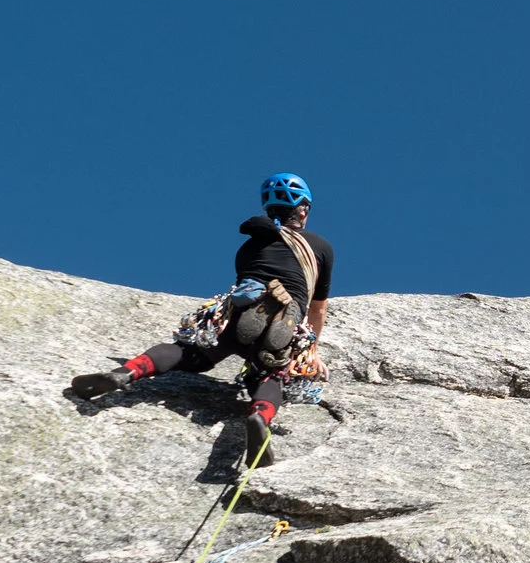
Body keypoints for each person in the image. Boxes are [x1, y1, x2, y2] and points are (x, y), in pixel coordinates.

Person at [70, 173, 336, 468]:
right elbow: (317, 309)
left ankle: (126, 372)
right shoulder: (320, 247)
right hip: (283, 323)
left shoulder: (249, 247)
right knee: (273, 375)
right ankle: (260, 416)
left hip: (237, 314)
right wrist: (312, 352)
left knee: (190, 352)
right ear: (303, 210)